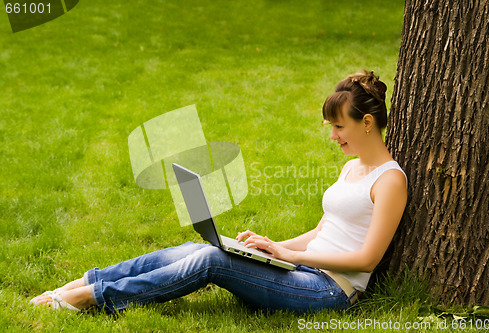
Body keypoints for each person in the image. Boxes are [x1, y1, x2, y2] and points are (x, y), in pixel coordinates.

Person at [30, 70, 407, 313]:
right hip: (304, 269)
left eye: (338, 126)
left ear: (368, 123)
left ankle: (91, 299)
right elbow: (325, 231)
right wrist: (271, 246)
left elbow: (367, 259)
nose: (333, 136)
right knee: (203, 248)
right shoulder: (352, 167)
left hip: (329, 292)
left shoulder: (390, 181)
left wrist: (290, 255)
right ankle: (89, 280)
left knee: (213, 262)